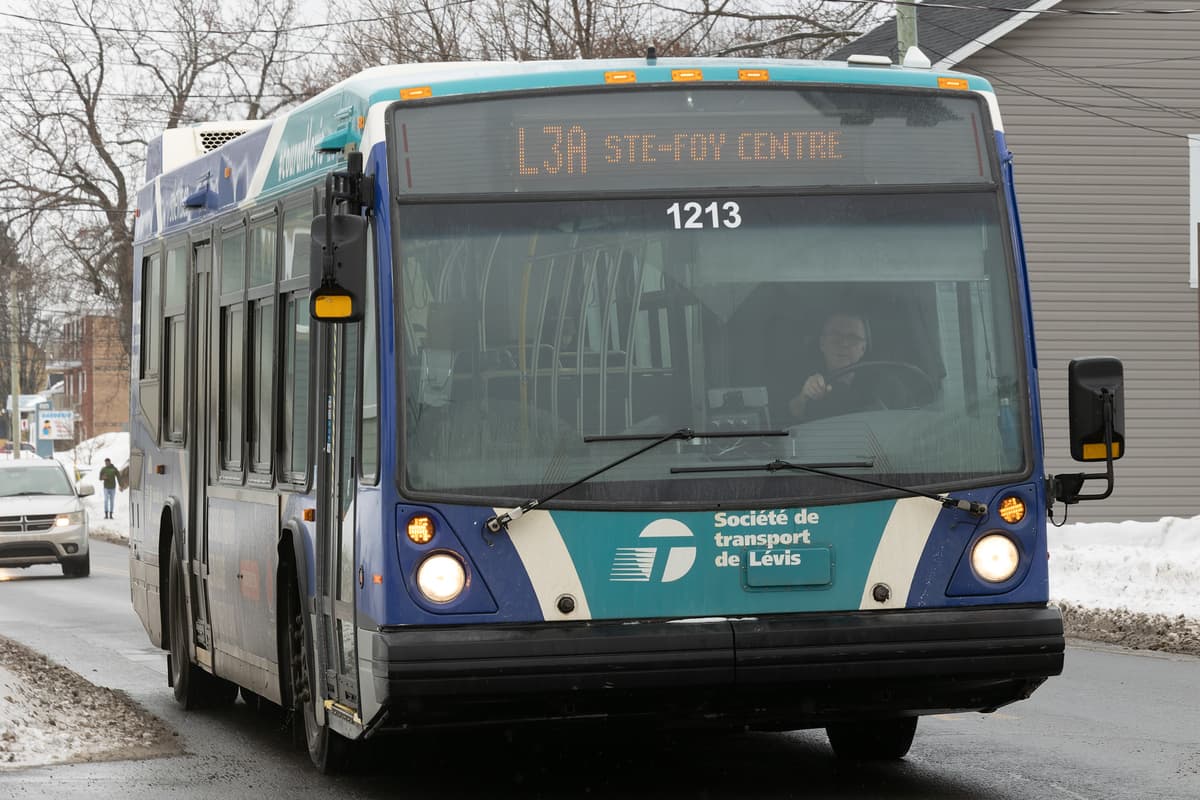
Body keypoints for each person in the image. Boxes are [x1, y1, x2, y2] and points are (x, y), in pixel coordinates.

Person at [787, 310, 904, 422]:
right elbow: (787, 422)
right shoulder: (801, 378)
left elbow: (910, 424)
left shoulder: (886, 385)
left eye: (853, 338)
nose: (844, 344)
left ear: (863, 348)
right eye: (835, 336)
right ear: (822, 343)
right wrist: (804, 397)